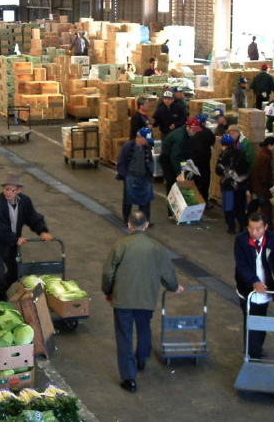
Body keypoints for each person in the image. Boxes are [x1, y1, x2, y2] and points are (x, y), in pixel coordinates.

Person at [101, 210, 183, 393]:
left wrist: (108, 291)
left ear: (129, 225)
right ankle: (142, 358)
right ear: (146, 225)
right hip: (146, 299)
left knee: (124, 336)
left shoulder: (120, 245)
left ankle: (129, 378)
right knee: (144, 327)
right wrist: (174, 287)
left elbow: (108, 273)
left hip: (122, 298)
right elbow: (167, 273)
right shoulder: (156, 247)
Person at [0, 172, 54, 303]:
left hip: (11, 244)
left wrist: (42, 231)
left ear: (18, 190)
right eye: (5, 189)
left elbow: (32, 217)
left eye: (11, 190)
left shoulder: (24, 201)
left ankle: (1, 291)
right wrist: (15, 239)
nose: (7, 193)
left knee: (15, 272)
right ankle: (0, 300)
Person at [234, 211, 274, 359]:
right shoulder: (241, 241)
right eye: (251, 228)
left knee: (262, 318)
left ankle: (256, 348)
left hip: (266, 290)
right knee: (251, 319)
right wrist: (254, 281)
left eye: (258, 228)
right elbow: (242, 266)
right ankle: (252, 353)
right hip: (247, 290)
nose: (254, 232)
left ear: (265, 227)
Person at [160, 118, 202, 217]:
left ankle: (181, 208)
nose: (195, 133)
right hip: (168, 160)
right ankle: (171, 212)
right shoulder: (180, 138)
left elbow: (185, 153)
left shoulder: (188, 135)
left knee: (183, 180)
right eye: (194, 130)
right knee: (172, 184)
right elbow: (174, 157)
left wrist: (188, 165)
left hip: (177, 159)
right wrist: (179, 173)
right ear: (188, 127)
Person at [117, 128, 155, 224]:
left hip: (144, 176)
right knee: (128, 200)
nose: (147, 142)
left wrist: (150, 173)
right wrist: (124, 175)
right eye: (146, 140)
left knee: (146, 200)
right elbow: (121, 161)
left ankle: (145, 221)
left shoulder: (147, 147)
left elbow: (150, 161)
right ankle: (127, 220)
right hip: (131, 176)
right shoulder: (128, 146)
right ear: (139, 138)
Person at [216, 133, 250, 233]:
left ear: (223, 144)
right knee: (240, 207)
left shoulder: (223, 155)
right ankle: (242, 225)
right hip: (241, 185)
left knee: (229, 207)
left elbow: (218, 170)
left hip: (229, 186)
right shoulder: (241, 152)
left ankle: (231, 227)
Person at [249, 137, 274, 228]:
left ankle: (246, 224)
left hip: (256, 187)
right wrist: (270, 186)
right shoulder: (266, 157)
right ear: (270, 145)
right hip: (261, 188)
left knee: (253, 206)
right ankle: (269, 229)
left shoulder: (260, 154)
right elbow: (264, 175)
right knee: (266, 210)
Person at [190, 114, 216, 203]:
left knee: (193, 182)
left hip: (192, 161)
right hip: (204, 162)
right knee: (204, 183)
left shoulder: (192, 131)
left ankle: (193, 201)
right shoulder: (207, 132)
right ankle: (203, 201)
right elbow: (213, 142)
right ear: (204, 122)